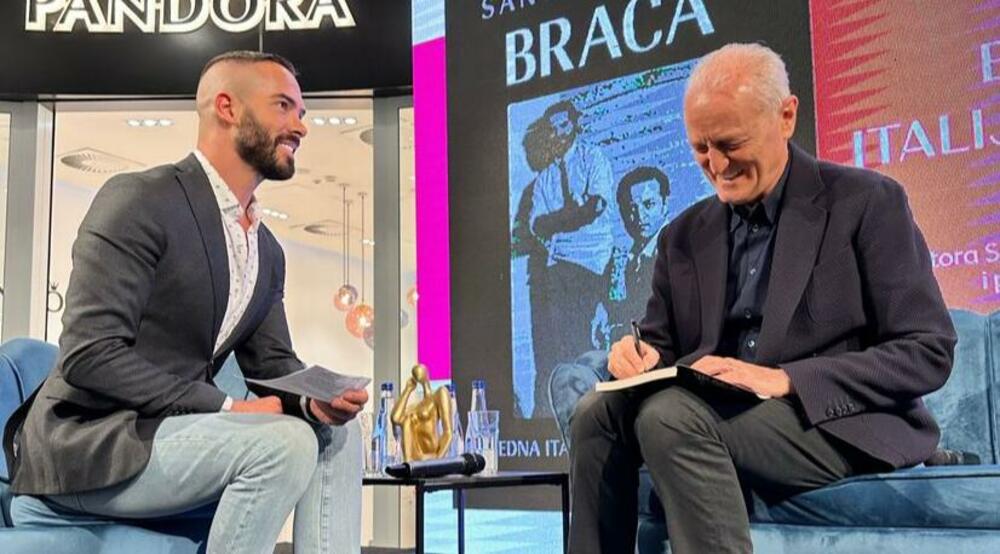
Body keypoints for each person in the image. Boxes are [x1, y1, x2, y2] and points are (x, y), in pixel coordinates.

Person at [568, 43, 956, 554]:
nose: (716, 165)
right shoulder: (683, 235)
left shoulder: (867, 202)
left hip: (829, 421)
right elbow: (660, 344)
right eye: (701, 148)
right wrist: (636, 356)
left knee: (667, 418)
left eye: (731, 143)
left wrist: (787, 379)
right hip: (719, 414)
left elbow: (927, 350)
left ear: (786, 116)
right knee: (594, 412)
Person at [2, 51, 368, 554]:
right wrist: (228, 406)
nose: (300, 126)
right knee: (284, 444)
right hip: (89, 445)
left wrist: (314, 400)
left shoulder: (266, 250)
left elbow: (273, 365)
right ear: (227, 108)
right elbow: (90, 355)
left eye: (301, 113)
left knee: (339, 438)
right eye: (283, 106)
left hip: (173, 436)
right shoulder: (138, 200)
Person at [526, 101, 616, 417]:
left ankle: (595, 415)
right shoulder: (544, 179)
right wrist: (573, 215)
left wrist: (561, 220)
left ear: (575, 124)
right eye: (552, 128)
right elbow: (537, 225)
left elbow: (596, 206)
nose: (558, 133)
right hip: (557, 266)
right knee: (556, 346)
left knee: (586, 343)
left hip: (593, 263)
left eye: (563, 125)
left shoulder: (593, 158)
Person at [593, 166, 672, 349]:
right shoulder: (622, 260)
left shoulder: (678, 251)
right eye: (631, 208)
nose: (639, 216)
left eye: (649, 204)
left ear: (664, 204)